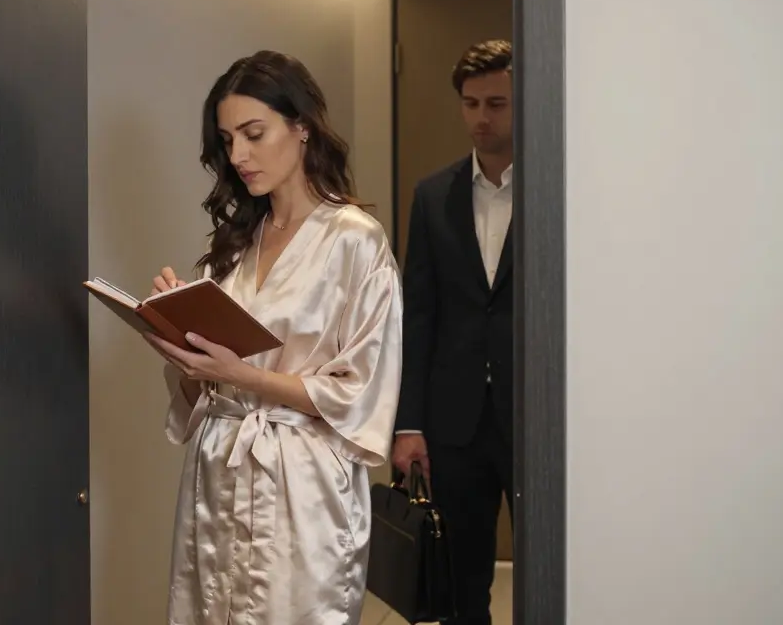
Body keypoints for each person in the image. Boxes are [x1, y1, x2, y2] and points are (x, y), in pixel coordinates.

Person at [143, 50, 403, 624]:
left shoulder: (356, 241)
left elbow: (361, 390)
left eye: (254, 134)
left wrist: (247, 376)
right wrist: (184, 349)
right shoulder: (237, 242)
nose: (238, 156)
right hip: (218, 472)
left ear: (302, 126)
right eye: (227, 139)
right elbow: (201, 389)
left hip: (301, 485)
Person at [391, 39, 515, 625]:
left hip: (537, 419)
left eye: (497, 103)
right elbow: (417, 315)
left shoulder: (560, 188)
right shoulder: (432, 195)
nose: (481, 118)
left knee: (552, 573)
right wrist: (407, 422)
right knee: (463, 587)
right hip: (453, 420)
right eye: (470, 104)